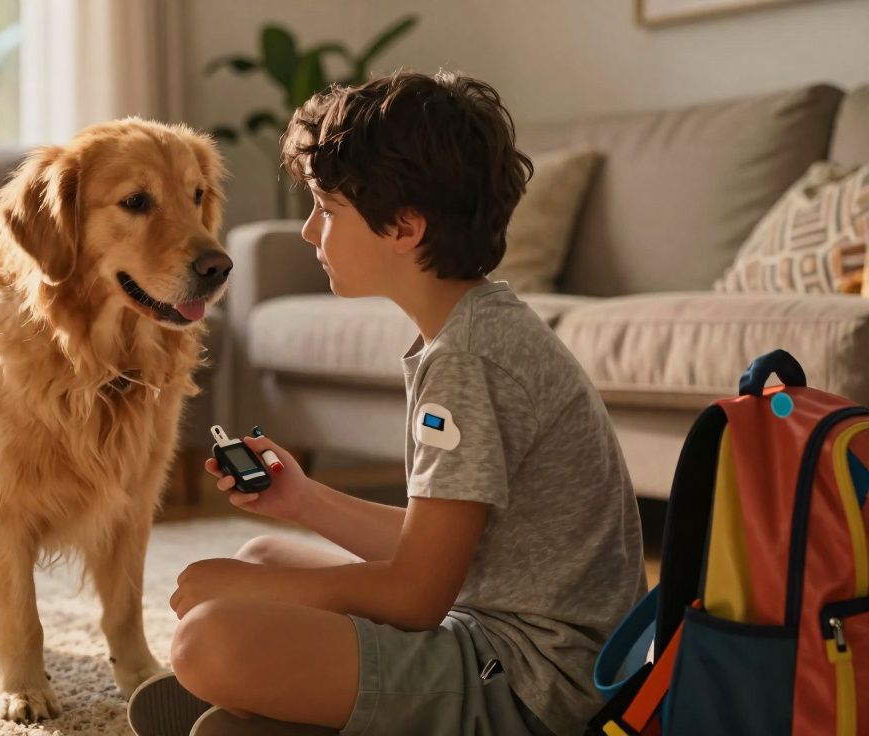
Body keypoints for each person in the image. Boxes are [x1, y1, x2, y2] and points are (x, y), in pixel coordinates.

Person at [128, 70, 646, 736]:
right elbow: (442, 551)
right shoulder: (475, 329)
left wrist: (253, 598)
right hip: (494, 635)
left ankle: (292, 703)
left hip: (531, 687)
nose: (311, 233)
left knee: (209, 641)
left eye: (326, 208)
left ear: (403, 225)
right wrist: (304, 501)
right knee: (260, 556)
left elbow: (415, 596)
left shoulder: (469, 361)